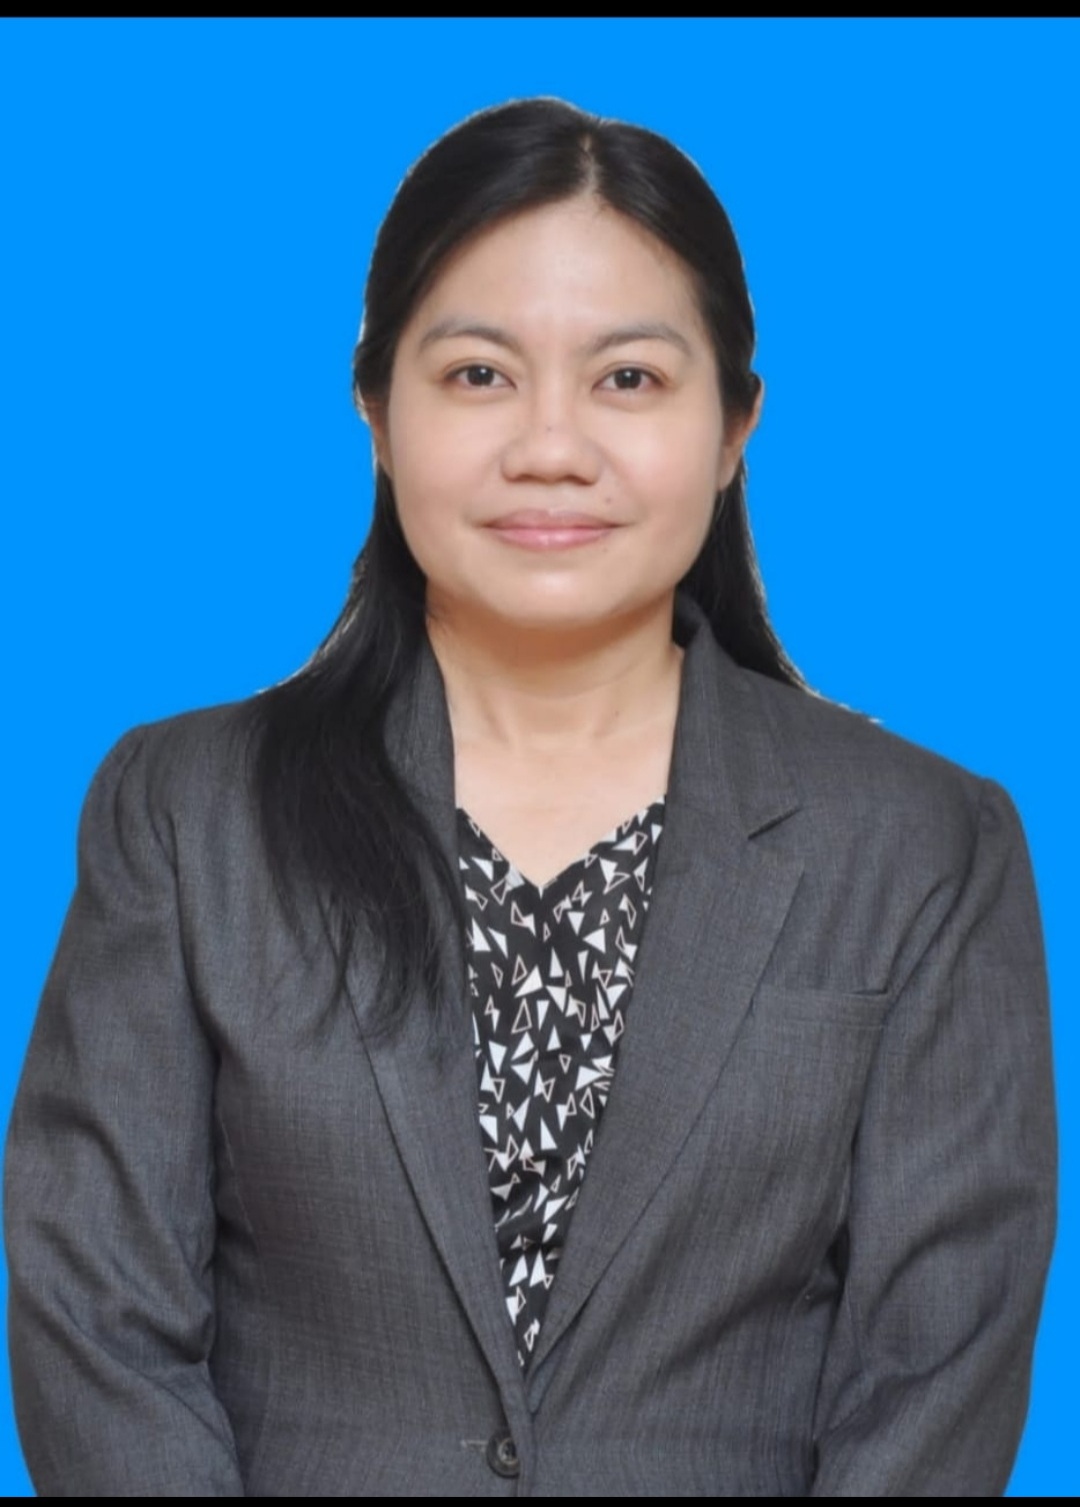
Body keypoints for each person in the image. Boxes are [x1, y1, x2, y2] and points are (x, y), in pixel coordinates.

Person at [5, 97, 1056, 1497]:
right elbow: (97, 1318)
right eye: (479, 374)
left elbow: (936, 1370)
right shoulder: (187, 815)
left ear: (735, 425)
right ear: (378, 410)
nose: (551, 446)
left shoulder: (923, 844)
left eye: (629, 378)